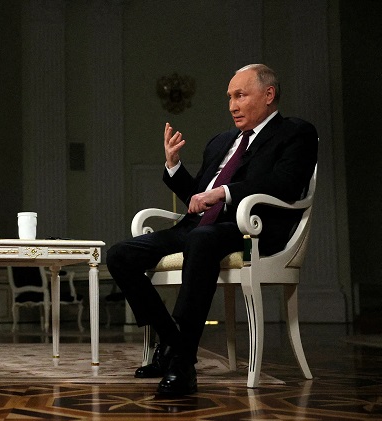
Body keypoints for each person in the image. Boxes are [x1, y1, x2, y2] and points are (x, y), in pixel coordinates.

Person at [106, 64, 318, 396]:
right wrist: (173, 166)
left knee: (202, 238)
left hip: (252, 233)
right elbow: (197, 198)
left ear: (269, 94)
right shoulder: (221, 141)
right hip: (199, 227)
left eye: (240, 95)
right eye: (229, 97)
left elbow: (286, 184)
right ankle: (174, 343)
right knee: (120, 254)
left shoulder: (295, 132)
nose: (232, 105)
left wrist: (225, 192)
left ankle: (180, 363)